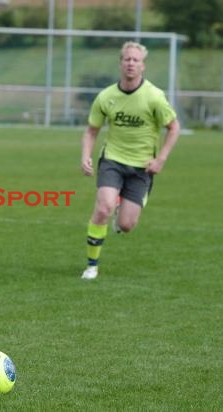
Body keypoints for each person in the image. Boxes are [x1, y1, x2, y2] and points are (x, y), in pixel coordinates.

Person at [80, 41, 180, 280]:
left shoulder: (154, 97)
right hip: (112, 159)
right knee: (103, 207)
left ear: (142, 66)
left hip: (142, 167)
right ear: (120, 63)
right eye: (127, 59)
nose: (131, 64)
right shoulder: (106, 96)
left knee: (126, 225)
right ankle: (92, 265)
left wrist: (161, 160)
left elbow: (174, 128)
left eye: (136, 60)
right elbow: (91, 130)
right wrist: (86, 156)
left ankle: (120, 208)